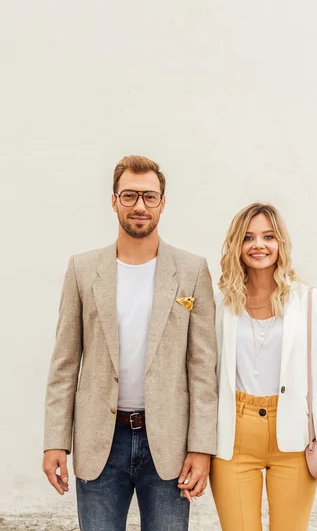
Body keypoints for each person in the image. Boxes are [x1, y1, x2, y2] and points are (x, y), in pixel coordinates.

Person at [42, 155, 218, 531]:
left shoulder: (192, 270)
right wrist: (55, 441)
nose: (140, 206)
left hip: (168, 445)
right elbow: (64, 363)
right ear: (114, 201)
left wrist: (202, 447)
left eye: (149, 197)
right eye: (130, 196)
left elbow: (203, 369)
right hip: (99, 445)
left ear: (163, 203)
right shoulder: (82, 270)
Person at [210, 203, 317, 531]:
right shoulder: (222, 303)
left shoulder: (310, 302)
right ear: (236, 246)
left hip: (293, 440)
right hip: (234, 438)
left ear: (280, 243)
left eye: (268, 236)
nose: (259, 245)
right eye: (249, 237)